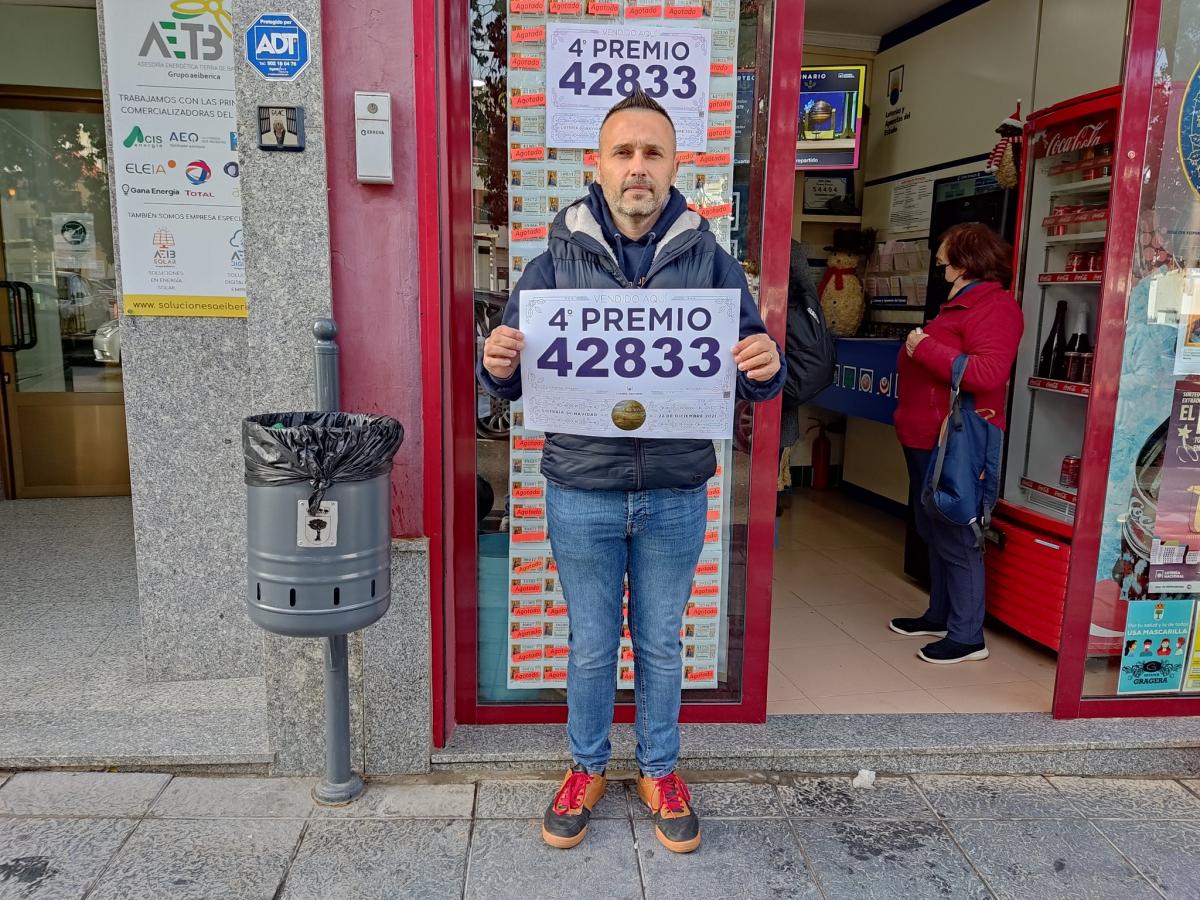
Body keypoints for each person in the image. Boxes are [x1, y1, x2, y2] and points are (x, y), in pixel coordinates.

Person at [478, 90, 784, 854]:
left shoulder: (713, 264)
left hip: (676, 490)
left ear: (676, 165)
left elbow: (752, 371)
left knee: (659, 643)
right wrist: (496, 364)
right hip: (580, 488)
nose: (638, 168)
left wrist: (766, 365)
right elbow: (511, 378)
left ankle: (658, 768)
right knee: (588, 644)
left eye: (652, 153)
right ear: (599, 167)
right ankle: (585, 767)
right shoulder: (551, 264)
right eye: (624, 153)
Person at [888, 222, 1023, 664]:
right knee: (934, 530)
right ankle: (940, 614)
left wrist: (924, 347)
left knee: (957, 532)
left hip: (957, 440)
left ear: (965, 261)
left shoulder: (995, 308)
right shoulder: (960, 305)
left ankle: (967, 636)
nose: (939, 264)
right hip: (927, 435)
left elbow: (987, 374)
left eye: (945, 257)